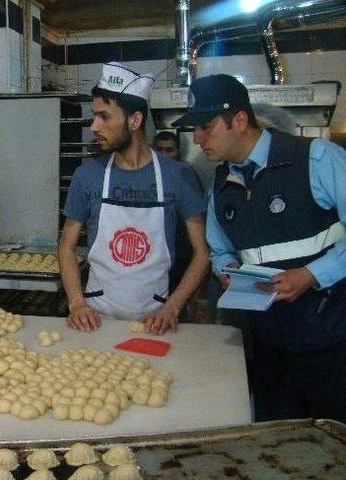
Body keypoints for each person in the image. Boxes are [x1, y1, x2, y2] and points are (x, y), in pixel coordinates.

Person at [173, 73, 346, 423]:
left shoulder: (315, 159)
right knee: (279, 444)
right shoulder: (221, 188)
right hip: (268, 349)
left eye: (206, 126)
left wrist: (312, 275)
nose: (197, 138)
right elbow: (220, 252)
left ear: (239, 120)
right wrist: (229, 273)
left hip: (331, 343)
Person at [58, 62, 209, 334]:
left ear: (135, 120)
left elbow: (201, 254)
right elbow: (67, 248)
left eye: (104, 117)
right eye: (94, 116)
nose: (94, 126)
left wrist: (172, 307)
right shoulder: (87, 175)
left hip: (154, 322)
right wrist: (77, 304)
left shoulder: (179, 176)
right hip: (95, 321)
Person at [152, 131, 210, 324]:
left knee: (176, 315)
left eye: (169, 150)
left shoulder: (185, 176)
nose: (163, 154)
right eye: (159, 150)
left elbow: (200, 239)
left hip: (182, 256)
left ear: (178, 151)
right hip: (154, 258)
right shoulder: (147, 178)